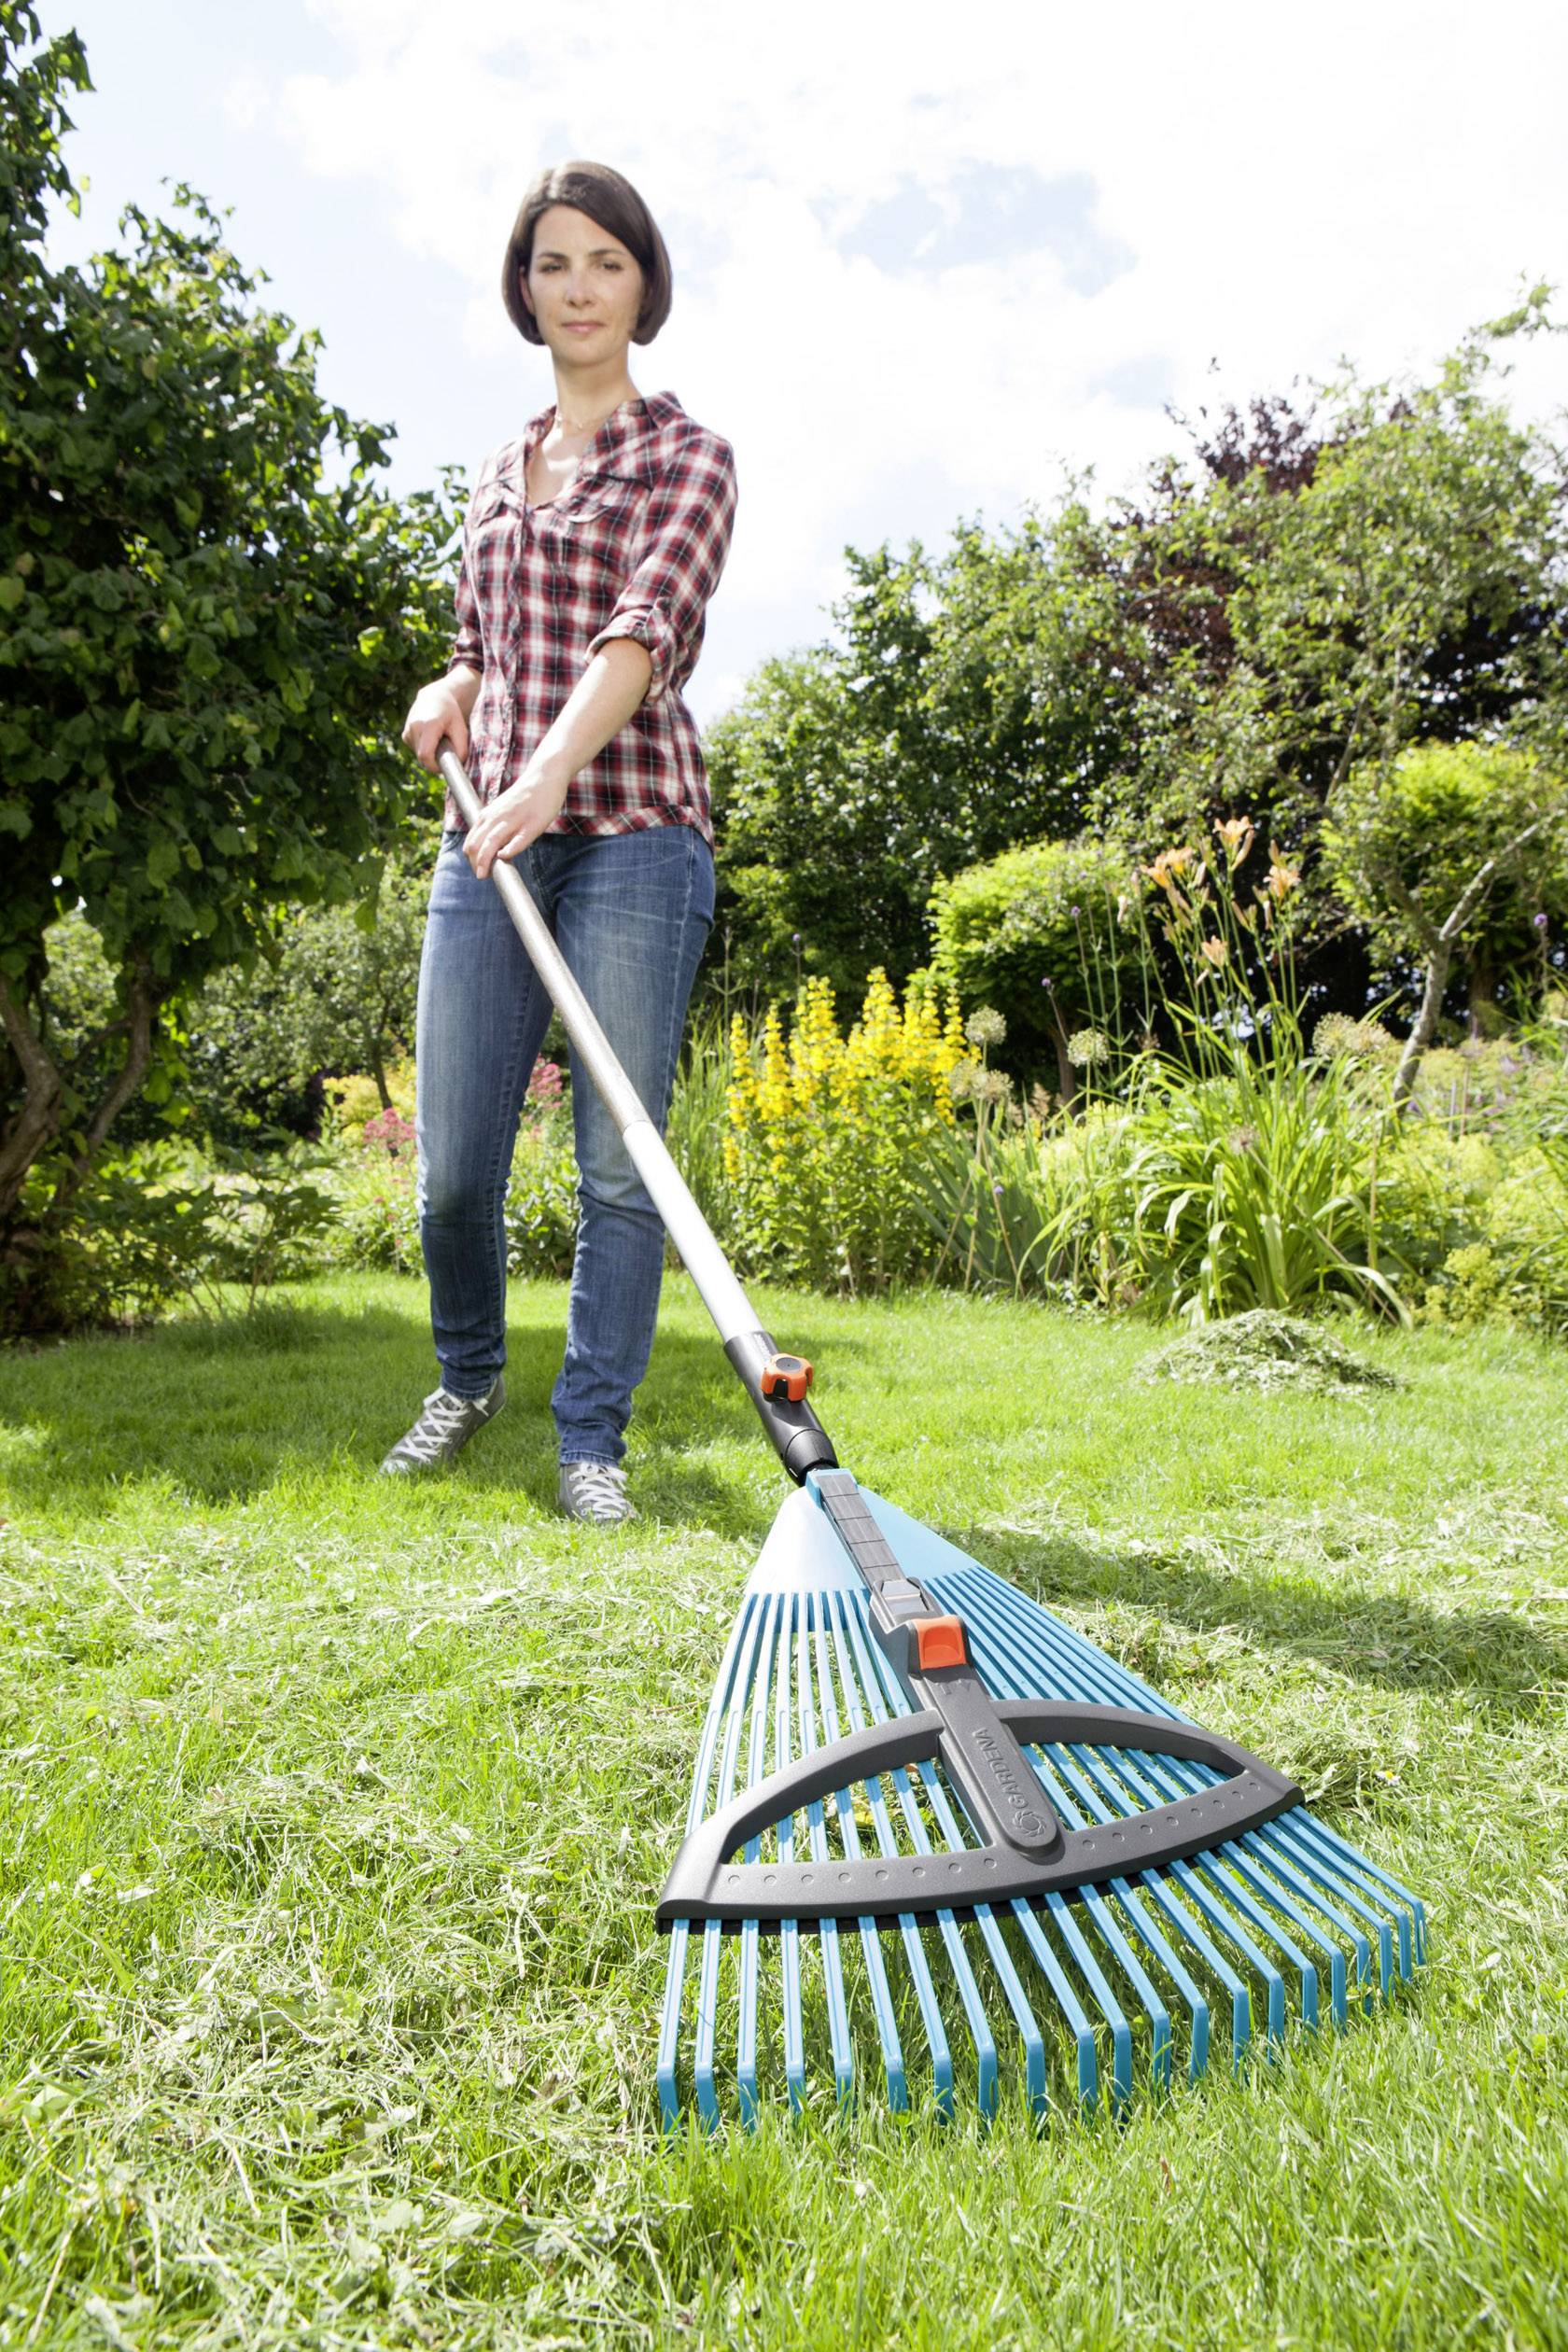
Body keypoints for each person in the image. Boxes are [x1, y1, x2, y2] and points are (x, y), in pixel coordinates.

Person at [383, 161, 737, 1522]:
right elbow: (485, 644)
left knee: (618, 1163)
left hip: (633, 832)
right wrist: (451, 688)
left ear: (644, 285)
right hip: (493, 844)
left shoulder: (689, 458)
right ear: (523, 290)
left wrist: (543, 773)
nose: (578, 288)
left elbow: (642, 634)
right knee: (453, 1168)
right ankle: (468, 1378)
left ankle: (591, 1439)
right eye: (552, 264)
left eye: (605, 261)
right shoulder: (495, 470)